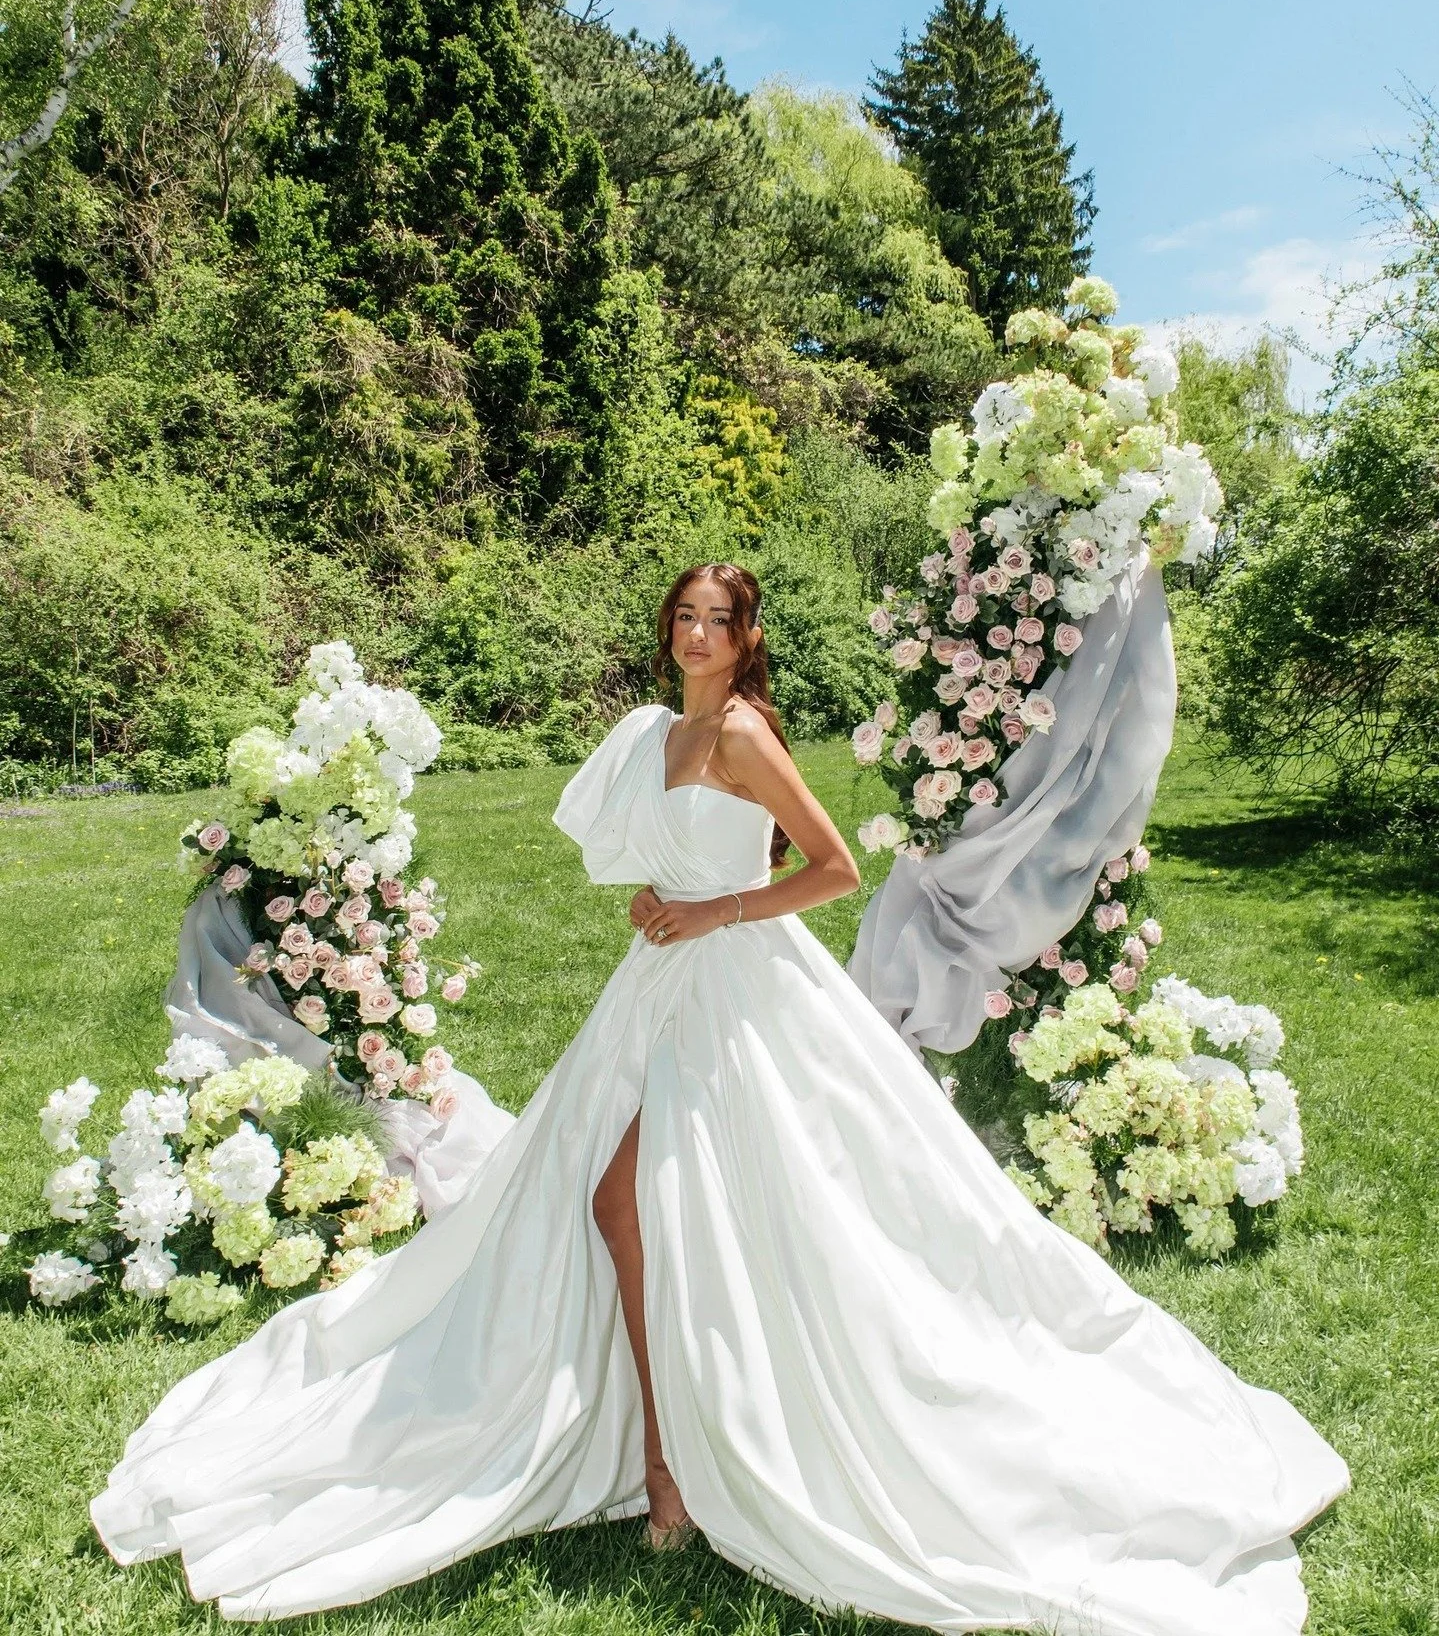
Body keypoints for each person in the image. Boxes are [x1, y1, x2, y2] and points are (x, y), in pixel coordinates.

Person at [91, 563, 1348, 1633]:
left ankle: (679, 1462)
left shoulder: (744, 732)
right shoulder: (655, 733)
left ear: (747, 639)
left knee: (653, 1197)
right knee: (613, 1198)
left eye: (715, 620)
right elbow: (642, 849)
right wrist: (661, 901)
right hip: (658, 987)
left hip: (742, 991)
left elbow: (833, 866)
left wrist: (712, 909)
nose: (695, 634)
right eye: (682, 617)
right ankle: (657, 1444)